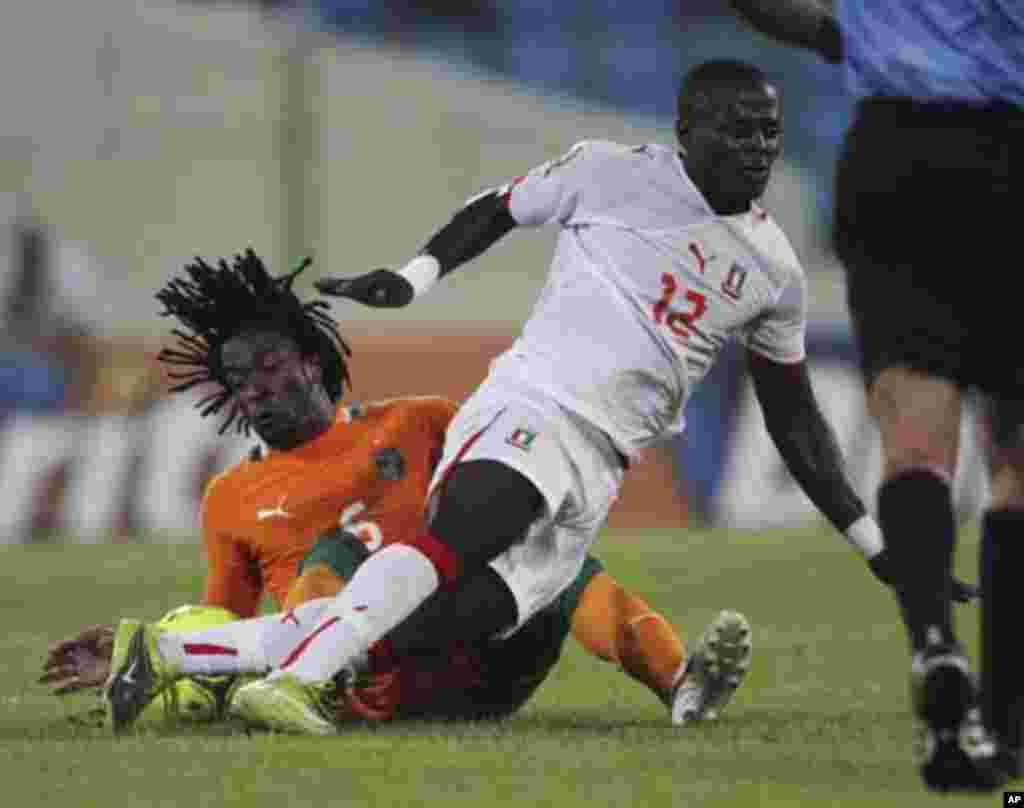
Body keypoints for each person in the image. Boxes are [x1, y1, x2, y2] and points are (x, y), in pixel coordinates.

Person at [182, 59, 938, 739]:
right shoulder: (610, 172)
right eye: (736, 129)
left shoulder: (775, 270)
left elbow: (795, 416)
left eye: (769, 130)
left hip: (600, 466)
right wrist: (414, 277)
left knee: (438, 621)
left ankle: (177, 651)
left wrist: (874, 545)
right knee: (452, 545)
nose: (757, 145)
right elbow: (497, 208)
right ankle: (296, 683)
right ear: (687, 130)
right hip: (533, 406)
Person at [60, 249, 749, 730]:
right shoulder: (230, 497)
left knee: (547, 555)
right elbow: (224, 623)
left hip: (484, 657)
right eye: (242, 382)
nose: (259, 390)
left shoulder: (422, 422)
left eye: (270, 367)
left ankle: (682, 682)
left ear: (309, 356)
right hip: (372, 688)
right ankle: (308, 682)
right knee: (345, 544)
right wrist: (149, 655)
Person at [726, 0, 1022, 793]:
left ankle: (934, 643)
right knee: (1017, 467)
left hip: (894, 160)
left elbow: (806, 22)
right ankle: (1004, 727)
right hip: (1013, 153)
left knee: (915, 444)